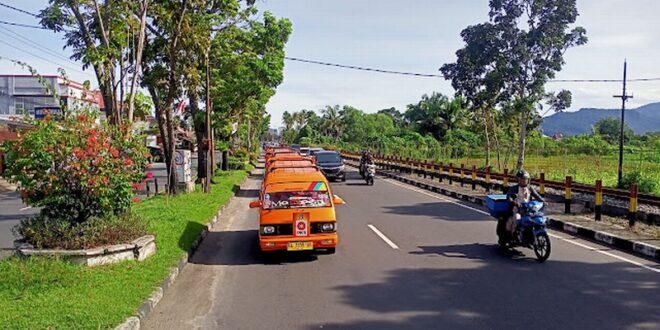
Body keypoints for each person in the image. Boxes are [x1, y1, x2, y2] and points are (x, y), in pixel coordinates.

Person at [505, 170, 545, 237]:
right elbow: (509, 197)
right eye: (522, 179)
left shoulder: (530, 188)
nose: (524, 181)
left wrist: (543, 201)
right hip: (517, 209)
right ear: (518, 180)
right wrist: (514, 202)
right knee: (517, 219)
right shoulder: (514, 189)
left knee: (538, 219)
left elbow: (537, 196)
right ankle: (513, 235)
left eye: (526, 179)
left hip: (529, 210)